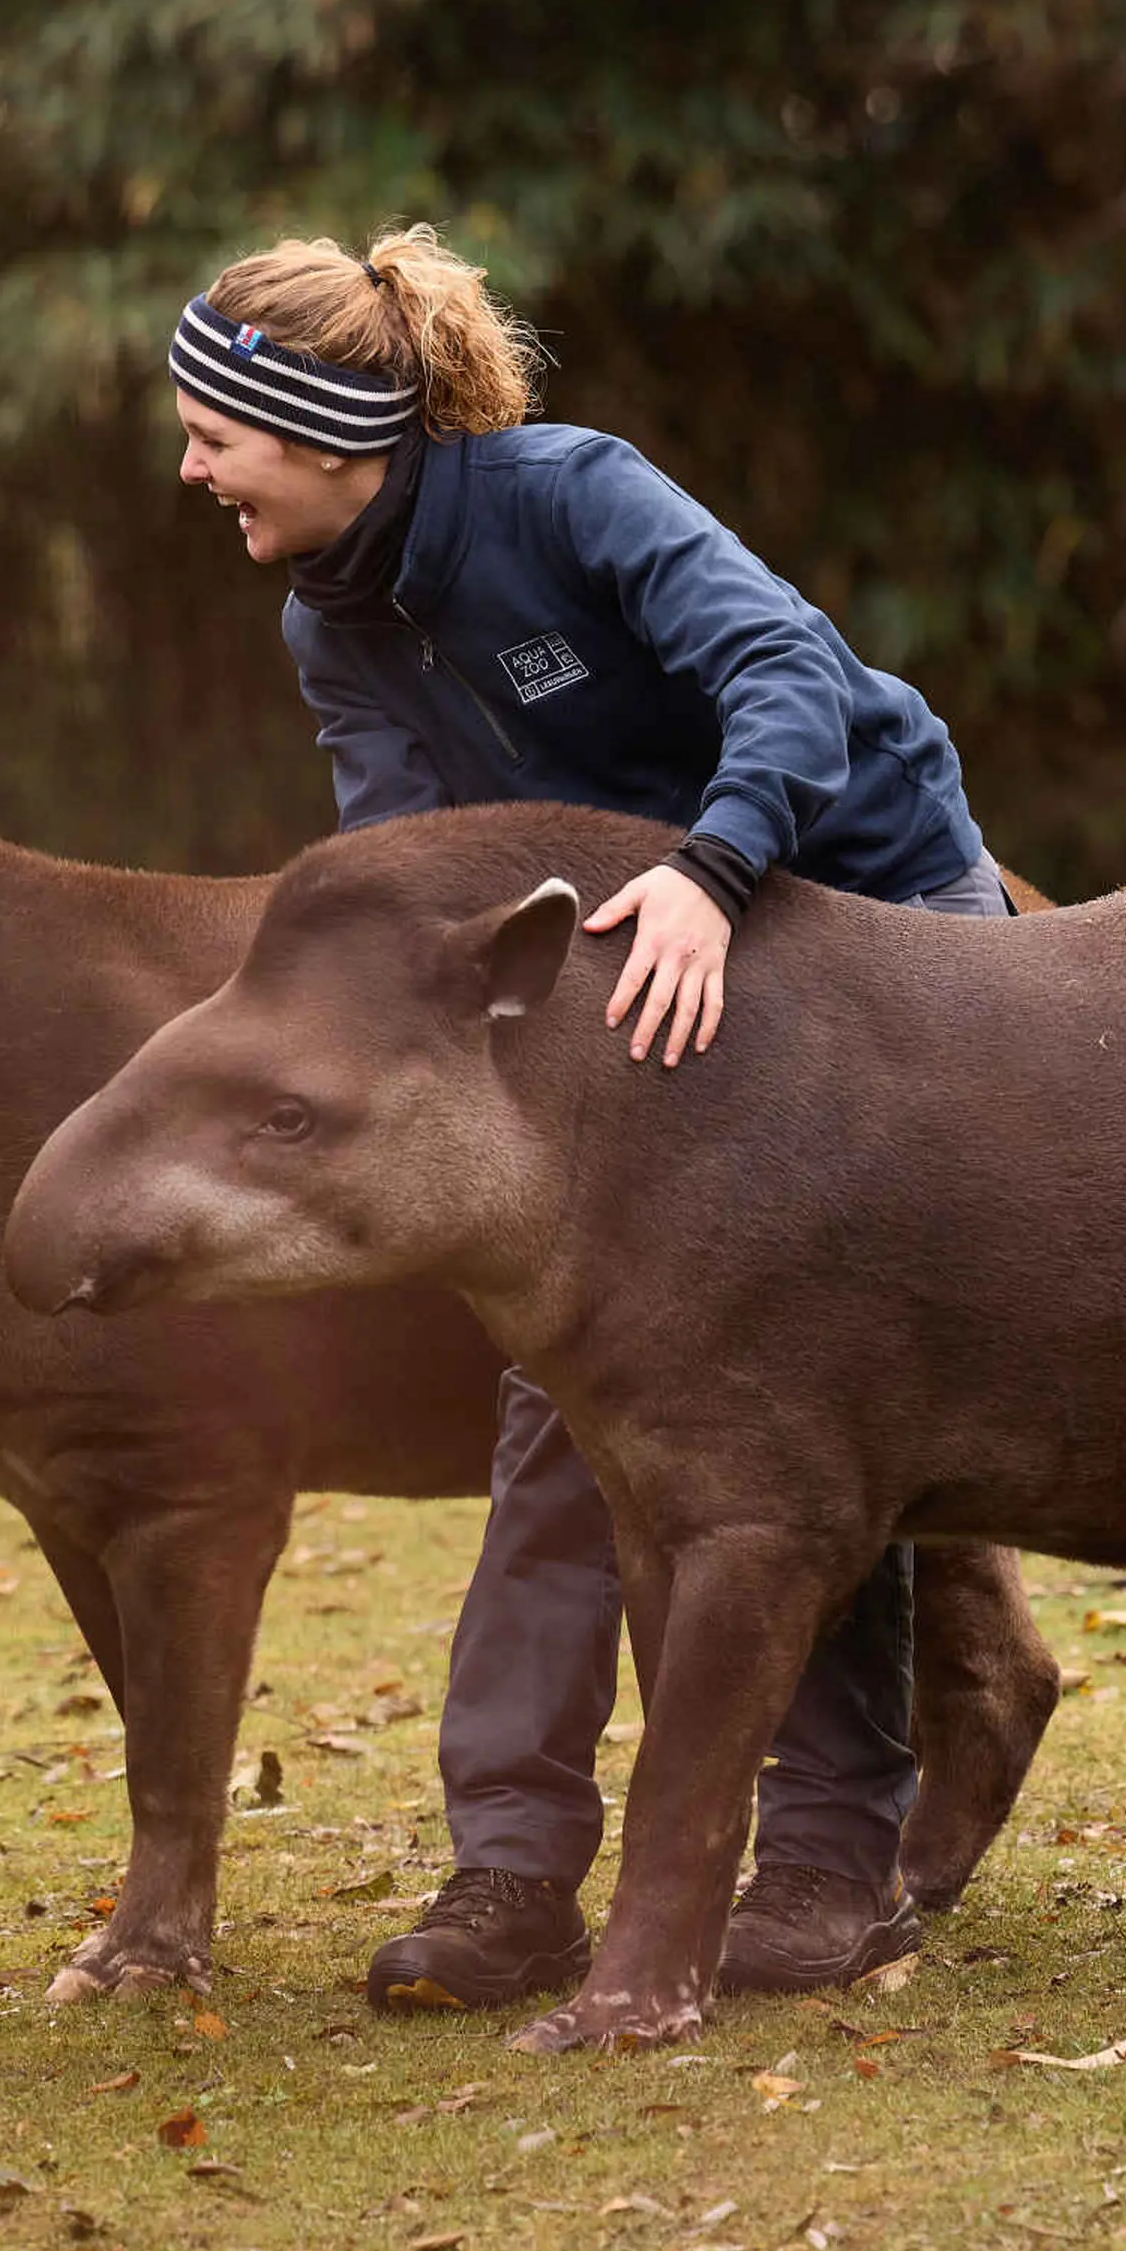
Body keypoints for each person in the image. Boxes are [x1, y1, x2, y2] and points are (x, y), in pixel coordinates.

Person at [165, 228, 1013, 2010]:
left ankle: (830, 1855)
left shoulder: (573, 496)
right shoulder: (334, 617)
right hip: (638, 975)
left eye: (210, 434)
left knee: (805, 1385)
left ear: (320, 432)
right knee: (564, 1396)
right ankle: (511, 1867)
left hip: (867, 901)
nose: (191, 472)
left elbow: (786, 676)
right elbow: (421, 874)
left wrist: (711, 868)